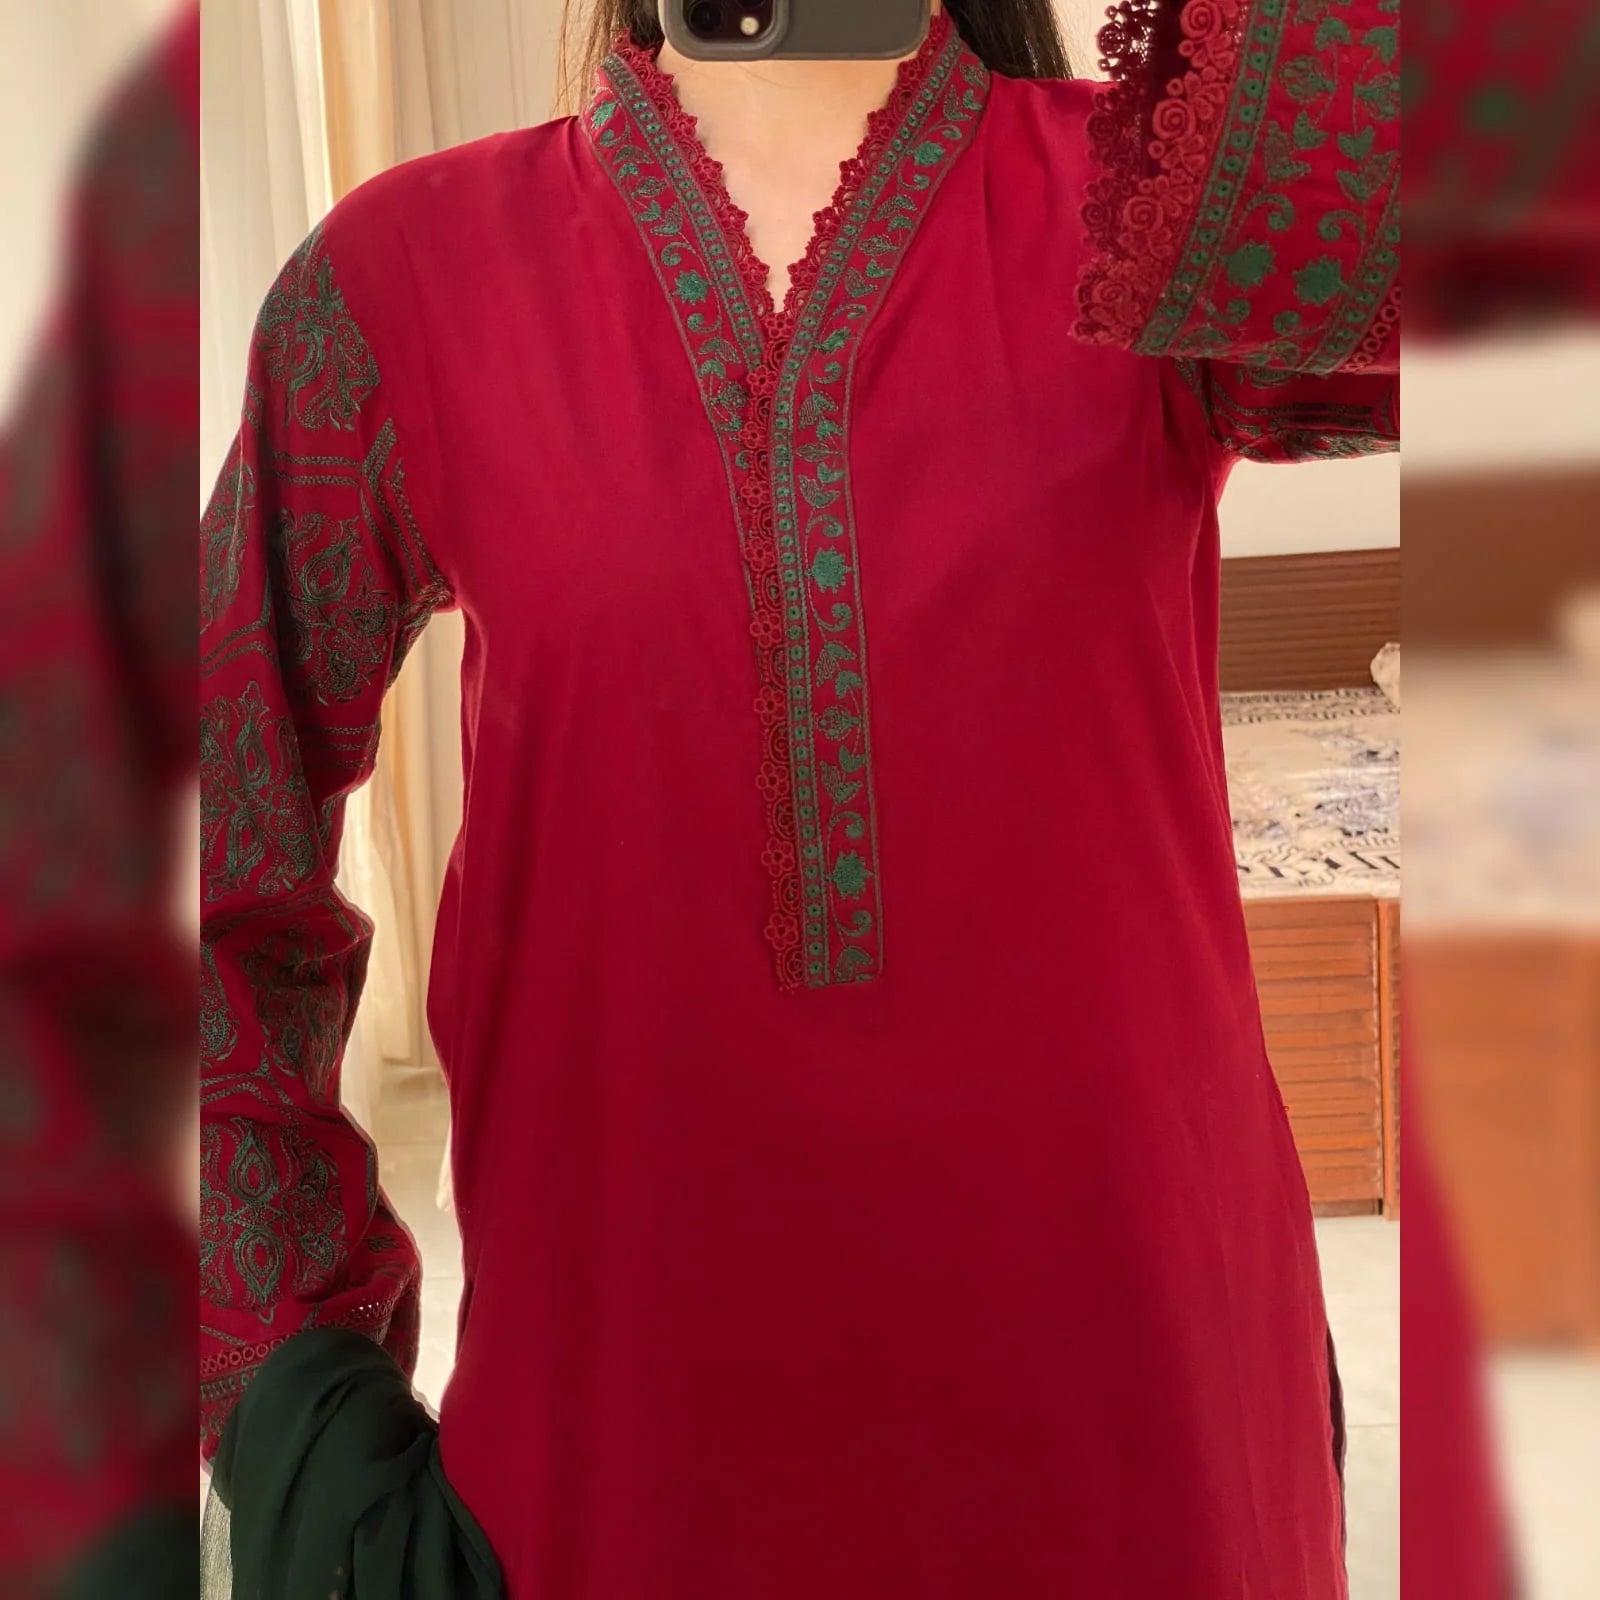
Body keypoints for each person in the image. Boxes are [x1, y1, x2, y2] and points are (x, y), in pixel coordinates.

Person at [198, 1, 1398, 1595]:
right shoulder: (401, 280)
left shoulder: (1161, 204)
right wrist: (288, 1379)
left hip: (1149, 1426)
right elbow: (207, 827)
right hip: (622, 1450)